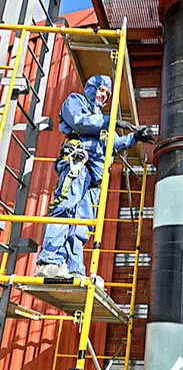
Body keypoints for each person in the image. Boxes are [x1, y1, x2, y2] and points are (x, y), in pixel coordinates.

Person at [35, 75, 154, 281]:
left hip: (93, 179)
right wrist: (110, 121)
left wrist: (135, 137)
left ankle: (74, 268)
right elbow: (80, 123)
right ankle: (49, 260)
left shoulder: (102, 122)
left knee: (82, 223)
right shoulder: (76, 102)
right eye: (101, 90)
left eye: (107, 94)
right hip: (77, 164)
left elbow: (115, 144)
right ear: (91, 88)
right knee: (66, 206)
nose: (103, 96)